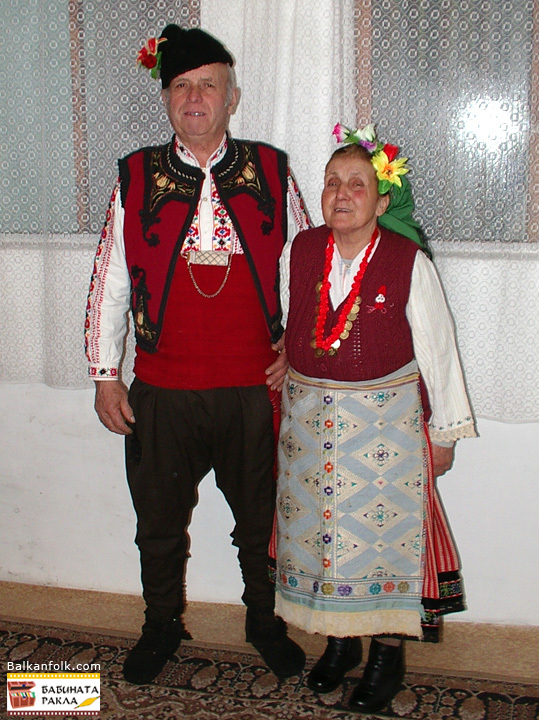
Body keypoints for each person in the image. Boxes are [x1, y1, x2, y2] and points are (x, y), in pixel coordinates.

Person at [84, 24, 311, 685]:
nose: (193, 97)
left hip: (252, 389)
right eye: (180, 86)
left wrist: (295, 347)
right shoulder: (134, 173)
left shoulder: (271, 168)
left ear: (231, 97)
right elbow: (111, 277)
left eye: (207, 85)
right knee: (157, 525)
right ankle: (161, 627)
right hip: (163, 386)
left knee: (260, 521)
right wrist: (105, 374)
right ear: (165, 100)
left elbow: (306, 264)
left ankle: (264, 624)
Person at [275, 123, 476, 712]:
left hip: (386, 427)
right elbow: (294, 327)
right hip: (311, 426)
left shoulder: (407, 260)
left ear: (381, 201)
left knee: (385, 545)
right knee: (326, 542)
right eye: (332, 181)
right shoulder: (302, 249)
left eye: (356, 184)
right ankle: (341, 646)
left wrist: (444, 433)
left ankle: (386, 656)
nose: (341, 193)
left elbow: (439, 350)